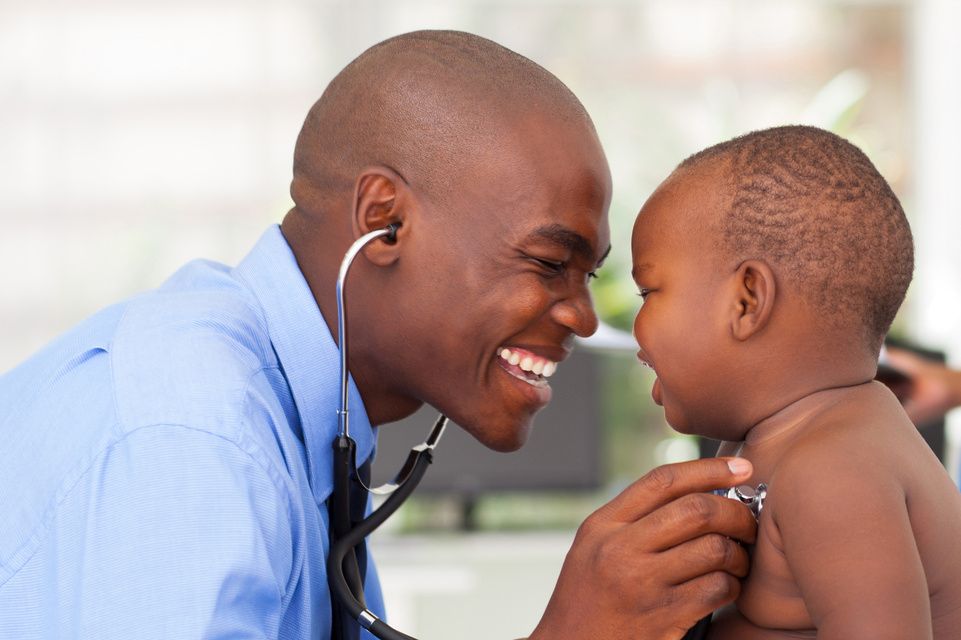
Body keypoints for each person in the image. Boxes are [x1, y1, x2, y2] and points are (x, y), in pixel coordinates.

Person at [0, 31, 758, 640]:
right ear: (382, 221)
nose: (581, 315)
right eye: (547, 261)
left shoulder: (310, 437)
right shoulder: (192, 442)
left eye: (586, 276)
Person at [630, 124, 961, 638]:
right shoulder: (792, 435)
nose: (636, 331)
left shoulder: (833, 473)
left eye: (647, 292)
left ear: (747, 301)